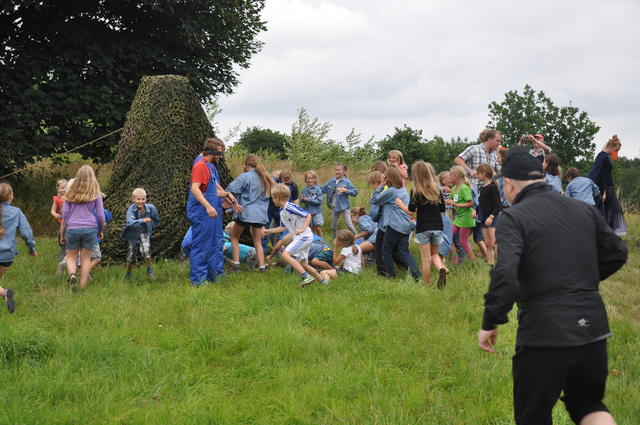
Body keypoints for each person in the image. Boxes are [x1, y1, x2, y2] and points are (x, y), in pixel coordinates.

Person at [478, 147, 627, 425]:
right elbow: (617, 253)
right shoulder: (583, 210)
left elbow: (505, 271)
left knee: (533, 417)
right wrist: (582, 281)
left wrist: (491, 320)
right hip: (592, 328)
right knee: (589, 405)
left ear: (508, 184)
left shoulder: (514, 216)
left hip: (544, 333)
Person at [187, 137, 237, 286]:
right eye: (219, 153)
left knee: (213, 244)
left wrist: (226, 195)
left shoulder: (209, 165)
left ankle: (212, 276)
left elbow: (211, 190)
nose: (220, 157)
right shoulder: (200, 165)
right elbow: (195, 189)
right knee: (202, 245)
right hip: (202, 212)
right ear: (211, 151)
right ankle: (198, 281)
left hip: (210, 212)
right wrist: (208, 206)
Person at [262, 184, 327, 287]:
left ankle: (306, 277)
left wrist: (302, 228)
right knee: (303, 263)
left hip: (304, 236)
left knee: (285, 254)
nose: (272, 200)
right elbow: (283, 228)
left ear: (278, 198)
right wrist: (267, 231)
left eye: (273, 197)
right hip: (300, 237)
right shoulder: (282, 212)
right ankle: (323, 281)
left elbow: (308, 215)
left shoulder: (290, 207)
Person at [395, 161, 446, 288]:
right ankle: (441, 268)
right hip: (438, 227)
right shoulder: (437, 189)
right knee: (434, 254)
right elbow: (443, 209)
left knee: (426, 259)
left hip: (423, 228)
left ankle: (426, 286)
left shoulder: (416, 191)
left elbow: (410, 212)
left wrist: (400, 203)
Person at [60, 165, 105, 291]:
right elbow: (101, 215)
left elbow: (65, 214)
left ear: (77, 177)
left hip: (73, 228)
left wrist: (67, 228)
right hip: (90, 228)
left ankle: (72, 275)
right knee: (86, 259)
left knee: (71, 256)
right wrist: (100, 230)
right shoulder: (96, 193)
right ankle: (82, 287)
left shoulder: (70, 193)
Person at [371, 167, 420, 281]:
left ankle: (391, 275)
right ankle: (416, 275)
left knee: (386, 250)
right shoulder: (402, 189)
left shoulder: (391, 191)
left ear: (388, 178)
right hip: (406, 225)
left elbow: (375, 200)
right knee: (404, 251)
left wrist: (382, 185)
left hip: (395, 226)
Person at [226, 154, 273, 273]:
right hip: (260, 214)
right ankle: (262, 267)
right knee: (257, 241)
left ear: (246, 165)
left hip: (245, 212)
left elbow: (231, 190)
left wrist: (231, 206)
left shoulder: (245, 176)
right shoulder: (266, 178)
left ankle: (236, 265)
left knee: (235, 237)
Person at [0, 183, 37, 313]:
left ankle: (5, 292)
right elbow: (26, 233)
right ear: (10, 196)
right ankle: (4, 293)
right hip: (7, 256)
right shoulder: (17, 212)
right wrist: (31, 248)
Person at [588, 135, 626, 235]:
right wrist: (603, 191)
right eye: (616, 150)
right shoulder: (602, 157)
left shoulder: (605, 157)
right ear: (611, 146)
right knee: (606, 213)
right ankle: (603, 234)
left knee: (609, 214)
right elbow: (595, 175)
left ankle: (607, 235)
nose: (616, 153)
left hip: (608, 189)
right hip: (605, 189)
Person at [121, 188, 159, 280]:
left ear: (146, 199)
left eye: (143, 199)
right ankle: (128, 273)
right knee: (131, 255)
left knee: (146, 250)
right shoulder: (131, 210)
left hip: (144, 233)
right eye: (138, 199)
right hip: (133, 234)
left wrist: (149, 227)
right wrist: (143, 220)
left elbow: (156, 221)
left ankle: (149, 270)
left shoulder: (151, 208)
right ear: (133, 199)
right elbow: (129, 222)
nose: (141, 201)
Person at [446, 166, 476, 261]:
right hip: (458, 217)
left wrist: (456, 204)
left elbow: (471, 203)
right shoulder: (454, 188)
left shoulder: (464, 188)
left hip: (466, 217)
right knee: (448, 236)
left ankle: (473, 261)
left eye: (451, 175)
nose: (449, 177)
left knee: (463, 242)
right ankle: (455, 259)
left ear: (457, 176)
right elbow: (450, 200)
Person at [322, 163, 358, 238]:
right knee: (333, 225)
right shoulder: (331, 181)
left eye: (339, 170)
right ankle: (335, 239)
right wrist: (314, 187)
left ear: (344, 171)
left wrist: (346, 190)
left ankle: (357, 236)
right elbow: (323, 189)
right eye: (336, 170)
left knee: (349, 224)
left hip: (344, 207)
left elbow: (355, 192)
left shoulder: (346, 182)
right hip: (334, 206)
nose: (337, 171)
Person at [476, 164, 501, 267]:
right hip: (483, 218)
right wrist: (476, 212)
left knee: (493, 242)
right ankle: (490, 264)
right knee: (487, 244)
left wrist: (491, 217)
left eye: (478, 173)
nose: (476, 175)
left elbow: (497, 205)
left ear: (484, 174)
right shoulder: (482, 188)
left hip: (491, 218)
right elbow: (482, 204)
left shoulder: (492, 187)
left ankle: (501, 263)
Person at [51, 178, 67, 275]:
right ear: (57, 189)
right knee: (60, 237)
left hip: (69, 222)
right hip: (60, 221)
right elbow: (52, 210)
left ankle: (64, 255)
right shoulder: (56, 199)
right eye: (62, 188)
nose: (64, 190)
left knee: (67, 237)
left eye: (66, 187)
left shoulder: (71, 197)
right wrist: (55, 214)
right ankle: (62, 253)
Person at [300, 170, 324, 236]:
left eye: (312, 178)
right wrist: (302, 199)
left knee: (317, 228)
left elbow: (319, 201)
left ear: (315, 179)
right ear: (306, 179)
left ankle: (323, 242)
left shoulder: (318, 189)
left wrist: (308, 199)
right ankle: (313, 242)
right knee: (310, 229)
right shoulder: (304, 189)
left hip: (316, 212)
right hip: (308, 212)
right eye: (308, 178)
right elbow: (302, 201)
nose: (310, 180)